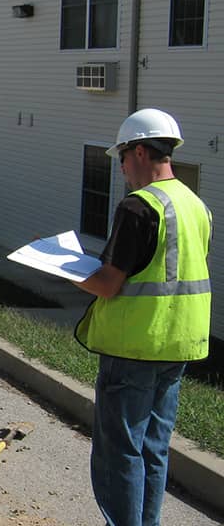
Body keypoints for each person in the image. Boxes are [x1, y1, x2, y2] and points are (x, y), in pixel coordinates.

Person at [73, 108, 212, 526]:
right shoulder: (195, 205)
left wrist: (66, 272)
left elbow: (109, 283)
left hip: (133, 346)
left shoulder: (139, 207)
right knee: (155, 448)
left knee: (121, 452)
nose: (122, 172)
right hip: (178, 346)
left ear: (137, 152)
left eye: (121, 160)